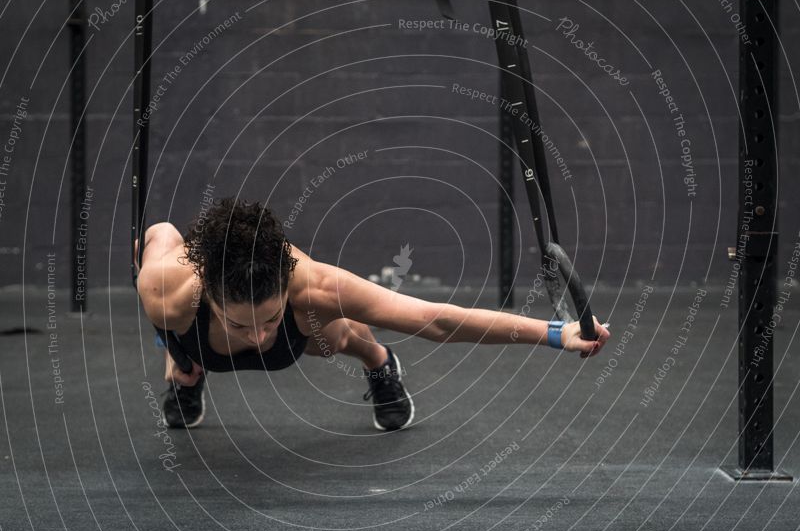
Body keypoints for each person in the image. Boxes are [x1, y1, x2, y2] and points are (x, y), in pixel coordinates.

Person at [135, 197, 610, 432]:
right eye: (242, 322)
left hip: (306, 328)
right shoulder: (166, 291)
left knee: (334, 334)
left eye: (269, 318)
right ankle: (187, 371)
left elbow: (435, 319)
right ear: (211, 297)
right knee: (178, 335)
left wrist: (557, 333)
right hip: (193, 330)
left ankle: (380, 363)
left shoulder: (311, 285)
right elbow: (160, 231)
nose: (259, 337)